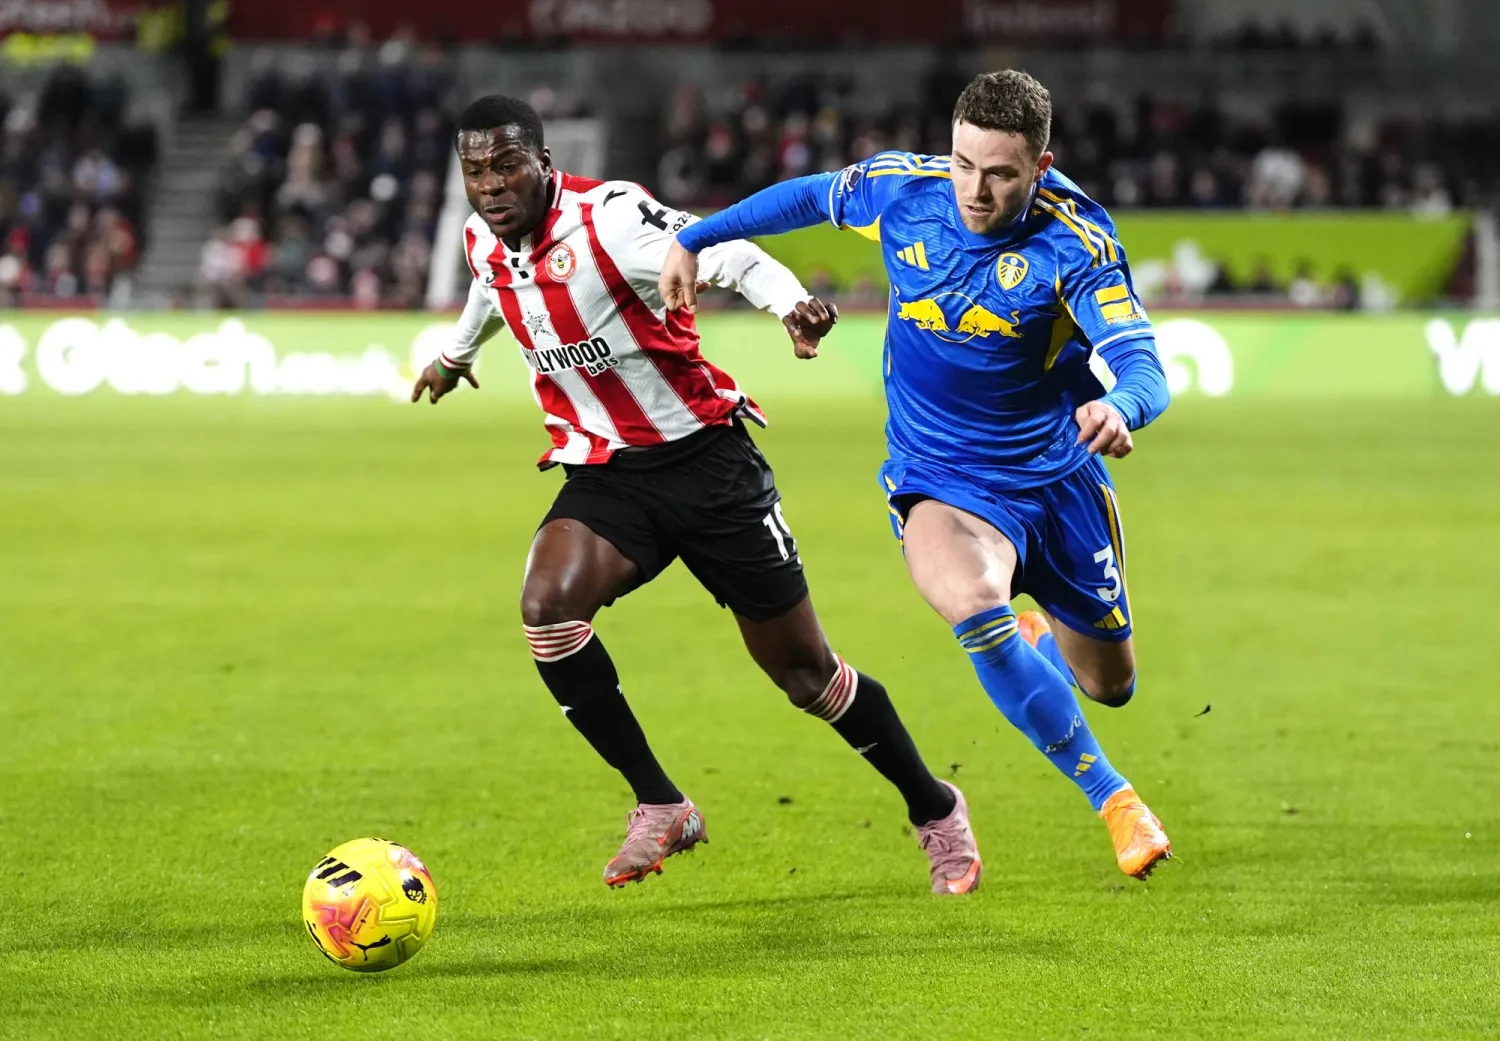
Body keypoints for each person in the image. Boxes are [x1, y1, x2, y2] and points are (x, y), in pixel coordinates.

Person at [410, 95, 982, 894]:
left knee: (807, 676)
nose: (491, 185)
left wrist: (791, 305)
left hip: (710, 469)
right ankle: (661, 802)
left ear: (543, 163)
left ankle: (935, 807)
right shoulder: (484, 238)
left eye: (507, 165)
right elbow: (487, 286)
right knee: (547, 608)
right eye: (476, 171)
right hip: (609, 476)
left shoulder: (609, 221)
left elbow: (725, 252)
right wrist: (454, 355)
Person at [661, 70, 1173, 880]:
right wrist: (696, 238)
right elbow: (804, 199)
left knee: (1109, 685)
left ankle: (1033, 632)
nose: (975, 188)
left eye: (1000, 173)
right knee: (973, 602)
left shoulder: (1075, 241)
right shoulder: (908, 191)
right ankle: (1115, 799)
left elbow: (1143, 364)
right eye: (964, 163)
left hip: (1056, 479)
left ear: (1041, 168)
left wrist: (1124, 409)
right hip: (940, 476)